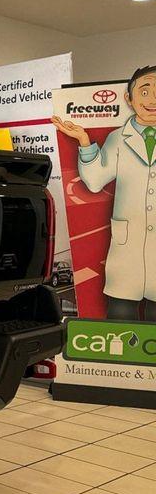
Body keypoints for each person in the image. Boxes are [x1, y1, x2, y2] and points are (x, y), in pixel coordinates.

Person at [53, 65, 156, 320]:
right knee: (121, 318)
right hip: (126, 247)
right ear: (129, 99)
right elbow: (95, 181)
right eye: (145, 91)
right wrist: (84, 142)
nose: (153, 99)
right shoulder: (118, 138)